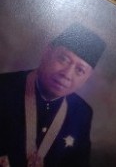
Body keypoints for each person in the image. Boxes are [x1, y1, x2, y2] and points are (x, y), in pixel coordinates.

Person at [0, 23, 106, 167]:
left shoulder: (82, 113)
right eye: (63, 59)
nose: (67, 75)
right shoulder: (3, 87)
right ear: (47, 52)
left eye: (80, 70)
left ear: (88, 76)